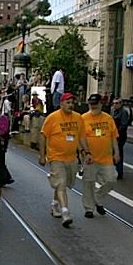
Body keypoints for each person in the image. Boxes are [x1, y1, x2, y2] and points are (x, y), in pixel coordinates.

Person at [39, 92, 92, 227]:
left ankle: (55, 204)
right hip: (56, 157)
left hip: (71, 158)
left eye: (72, 103)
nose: (70, 105)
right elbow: (43, 135)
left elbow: (81, 137)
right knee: (61, 183)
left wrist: (87, 152)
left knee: (65, 183)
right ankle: (65, 212)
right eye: (68, 102)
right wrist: (42, 155)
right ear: (61, 103)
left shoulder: (78, 118)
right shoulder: (53, 118)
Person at [81, 94, 120, 218]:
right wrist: (84, 153)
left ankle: (97, 197)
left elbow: (113, 137)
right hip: (90, 158)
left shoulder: (108, 118)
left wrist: (117, 152)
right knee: (89, 182)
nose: (93, 106)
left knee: (111, 179)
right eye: (91, 104)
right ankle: (89, 208)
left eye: (96, 103)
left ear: (101, 104)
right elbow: (79, 138)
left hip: (106, 157)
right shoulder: (83, 119)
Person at [111, 98, 128, 179]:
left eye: (117, 103)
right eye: (114, 103)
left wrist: (117, 132)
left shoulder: (123, 112)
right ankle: (114, 169)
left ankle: (119, 171)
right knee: (113, 152)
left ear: (121, 104)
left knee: (118, 152)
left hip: (120, 135)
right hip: (113, 135)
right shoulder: (113, 111)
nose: (115, 105)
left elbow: (124, 125)